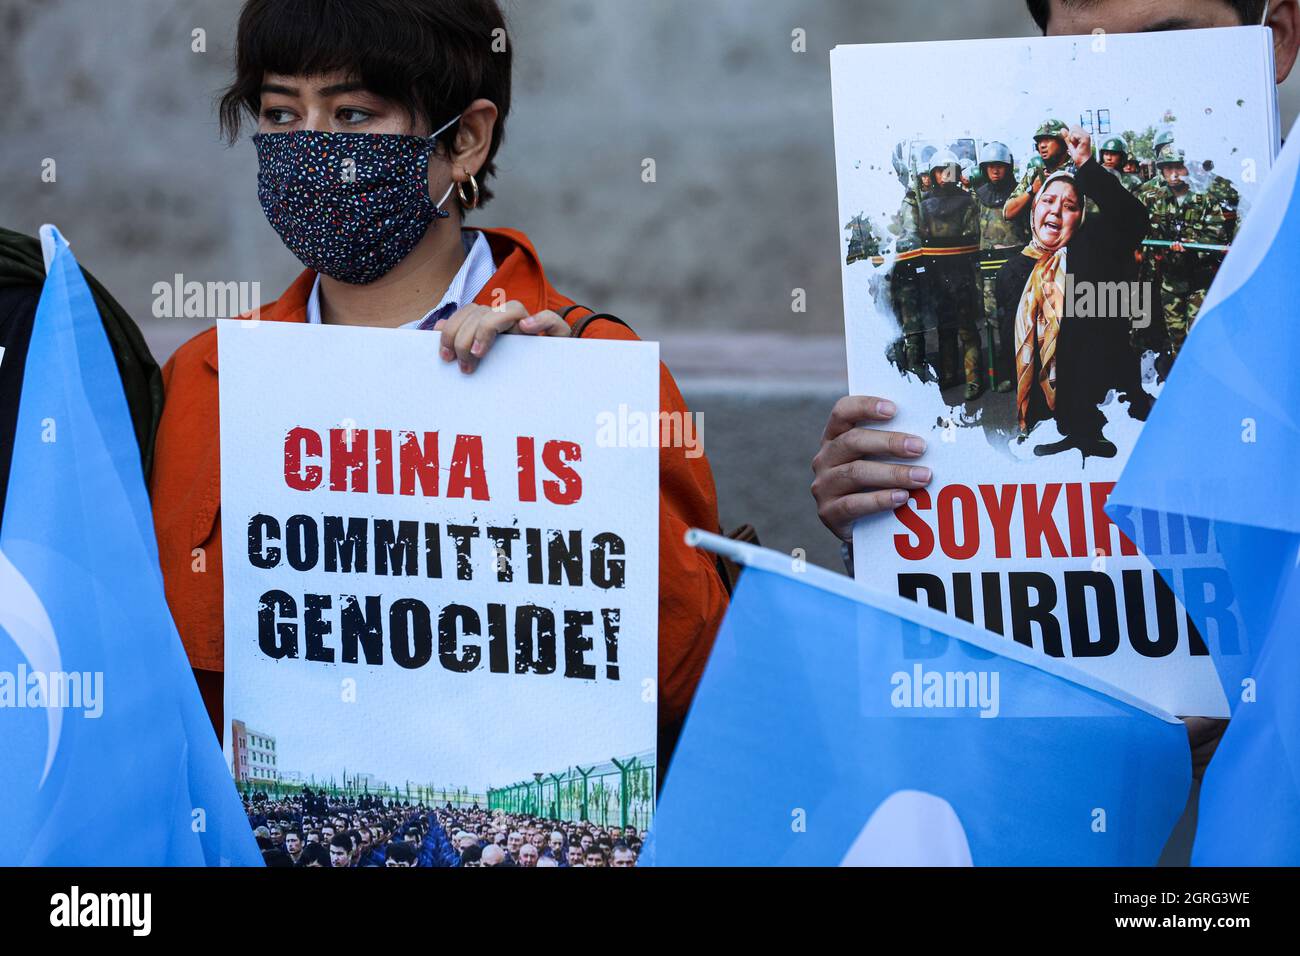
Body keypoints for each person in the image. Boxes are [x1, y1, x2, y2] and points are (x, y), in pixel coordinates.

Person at [147, 0, 729, 767]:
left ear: (466, 140)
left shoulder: (592, 366)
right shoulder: (207, 377)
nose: (312, 145)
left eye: (353, 114)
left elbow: (694, 675)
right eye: (281, 114)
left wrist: (568, 428)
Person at [812, 0, 1298, 781]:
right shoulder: (1023, 263)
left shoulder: (1123, 220)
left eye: (1169, 39)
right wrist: (890, 517)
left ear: (1278, 38)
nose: (1128, 71)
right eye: (1089, 49)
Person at [993, 128, 1150, 458]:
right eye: (1048, 201)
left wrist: (1087, 165)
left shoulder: (1091, 250)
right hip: (1044, 421)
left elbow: (1135, 220)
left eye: (1070, 206)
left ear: (1079, 218)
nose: (1056, 212)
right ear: (1034, 208)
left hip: (1098, 413)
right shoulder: (1012, 272)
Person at [918, 149, 983, 400]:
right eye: (939, 171)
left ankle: (974, 378)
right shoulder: (924, 205)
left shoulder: (968, 201)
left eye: (949, 171)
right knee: (944, 328)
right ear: (933, 174)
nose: (944, 175)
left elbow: (972, 234)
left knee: (967, 327)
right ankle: (948, 375)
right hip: (937, 273)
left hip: (962, 271)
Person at [972, 141, 1028, 392]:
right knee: (994, 320)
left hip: (1015, 266)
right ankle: (1006, 372)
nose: (996, 171)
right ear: (984, 169)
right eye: (991, 166)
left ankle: (1024, 372)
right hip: (988, 268)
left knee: (1019, 320)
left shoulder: (1020, 195)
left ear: (1008, 167)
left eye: (1000, 166)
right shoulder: (977, 197)